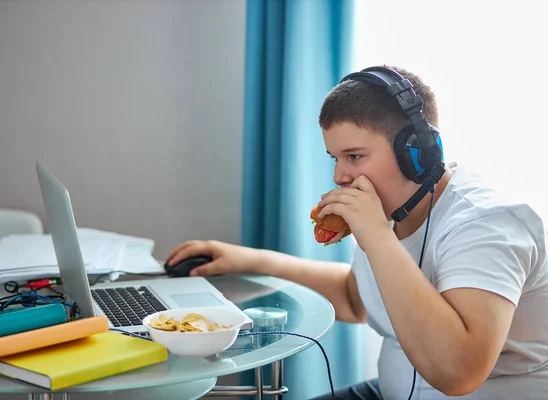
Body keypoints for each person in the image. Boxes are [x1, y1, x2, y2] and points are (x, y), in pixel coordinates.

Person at [165, 65, 548, 399]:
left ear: (417, 152)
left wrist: (377, 237)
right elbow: (355, 298)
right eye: (335, 158)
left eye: (354, 156)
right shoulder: (391, 211)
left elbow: (458, 373)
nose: (338, 176)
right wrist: (251, 259)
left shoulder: (487, 224)